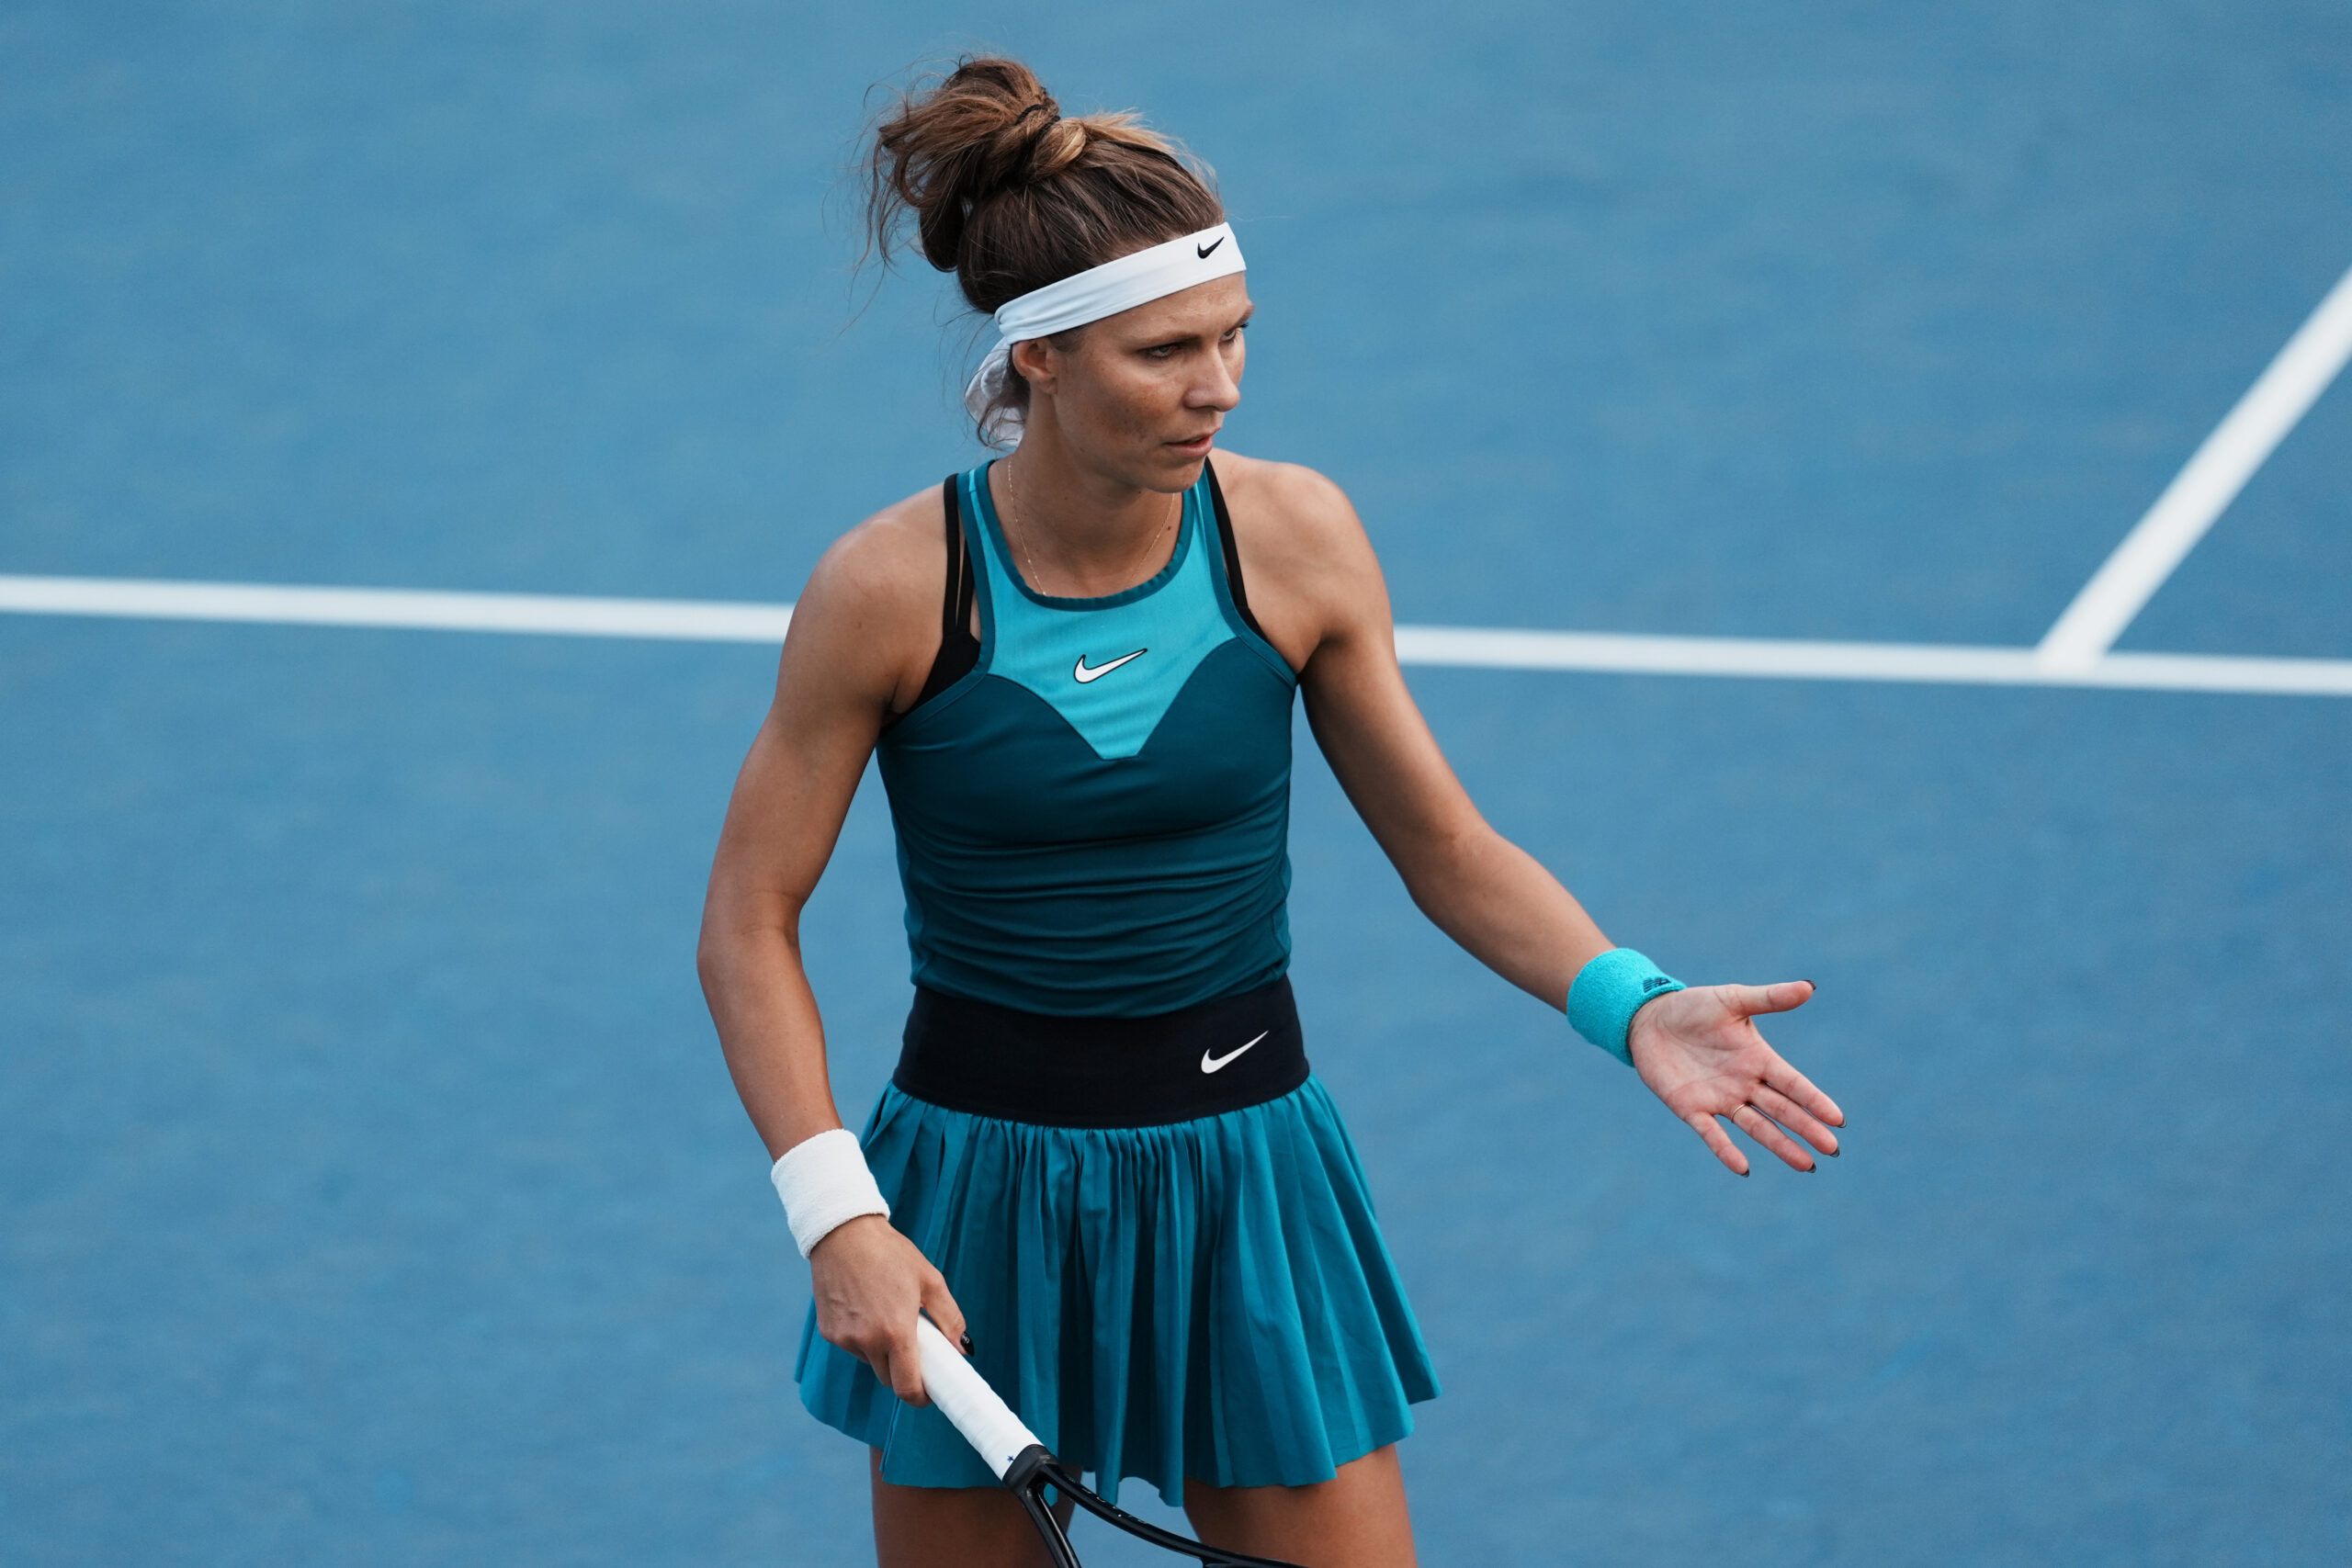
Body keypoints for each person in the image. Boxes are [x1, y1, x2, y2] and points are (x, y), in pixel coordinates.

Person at [697, 56, 1845, 1568]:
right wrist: (836, 1213)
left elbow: (1445, 845)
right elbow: (747, 920)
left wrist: (1629, 1002)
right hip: (972, 1193)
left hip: (1247, 1169)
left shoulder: (1294, 538)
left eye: (1236, 337)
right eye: (1166, 351)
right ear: (1037, 359)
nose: (1219, 386)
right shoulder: (891, 591)